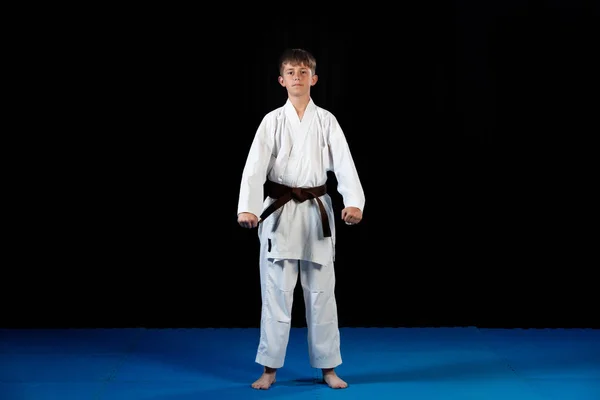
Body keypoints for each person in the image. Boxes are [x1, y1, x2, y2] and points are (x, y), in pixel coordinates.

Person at [237, 48, 365, 390]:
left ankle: (328, 368)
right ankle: (269, 369)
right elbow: (254, 168)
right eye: (291, 72)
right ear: (282, 80)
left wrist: (354, 202)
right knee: (275, 292)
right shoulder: (272, 121)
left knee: (322, 293)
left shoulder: (327, 121)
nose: (297, 77)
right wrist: (247, 208)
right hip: (280, 213)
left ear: (314, 79)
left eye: (303, 72)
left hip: (316, 211)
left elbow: (344, 163)